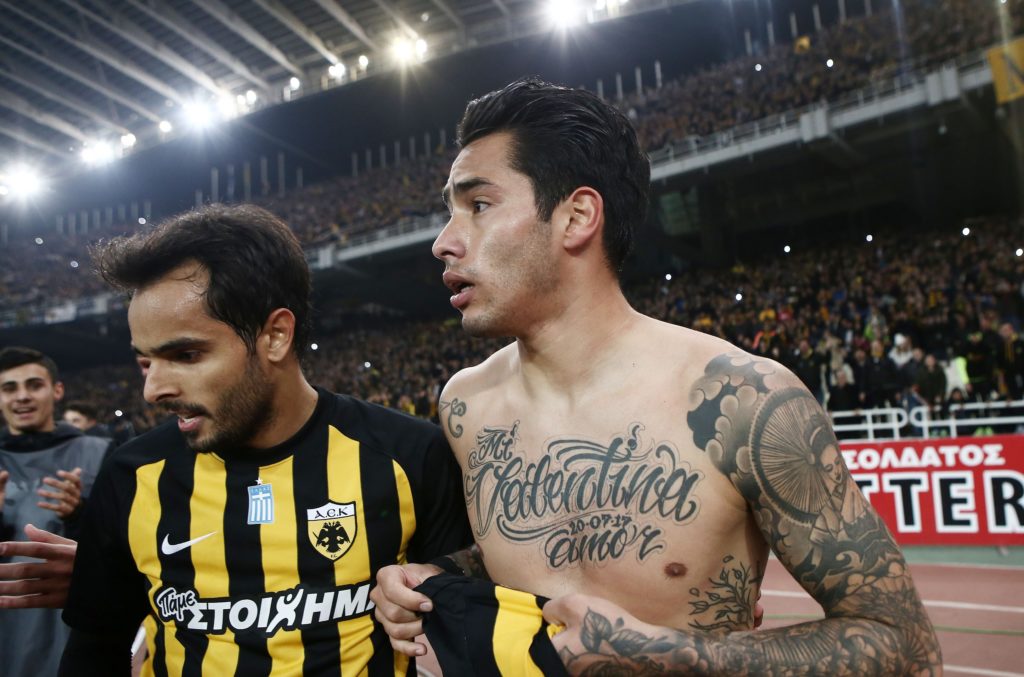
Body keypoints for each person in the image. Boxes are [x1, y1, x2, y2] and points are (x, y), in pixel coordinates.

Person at [370, 78, 941, 674]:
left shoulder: (744, 401)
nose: (443, 242)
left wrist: (662, 655)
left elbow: (906, 646)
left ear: (576, 217)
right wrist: (433, 577)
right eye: (450, 212)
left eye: (479, 205)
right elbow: (516, 552)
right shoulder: (467, 406)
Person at [53, 204, 471, 676]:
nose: (153, 390)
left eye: (186, 355)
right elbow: (94, 651)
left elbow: (461, 620)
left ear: (275, 335)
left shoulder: (409, 456)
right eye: (146, 362)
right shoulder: (132, 475)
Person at [0, 347, 110, 677]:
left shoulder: (101, 453)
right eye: (9, 388)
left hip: (71, 635)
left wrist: (79, 515)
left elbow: (125, 551)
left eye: (34, 385)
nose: (22, 396)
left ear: (57, 390)